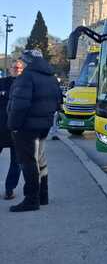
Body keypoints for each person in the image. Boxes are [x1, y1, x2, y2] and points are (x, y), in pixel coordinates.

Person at [7, 50, 62, 212]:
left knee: (28, 162)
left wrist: (13, 126)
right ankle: (42, 196)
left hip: (26, 127)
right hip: (44, 125)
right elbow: (58, 101)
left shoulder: (26, 77)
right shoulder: (51, 77)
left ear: (27, 61)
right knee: (40, 159)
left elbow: (19, 106)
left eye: (22, 61)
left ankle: (31, 200)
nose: (20, 64)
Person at [0, 60, 24, 200]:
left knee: (17, 162)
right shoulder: (2, 82)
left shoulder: (27, 84)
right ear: (9, 69)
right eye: (15, 67)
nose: (17, 69)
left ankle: (10, 189)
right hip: (1, 128)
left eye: (20, 68)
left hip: (18, 130)